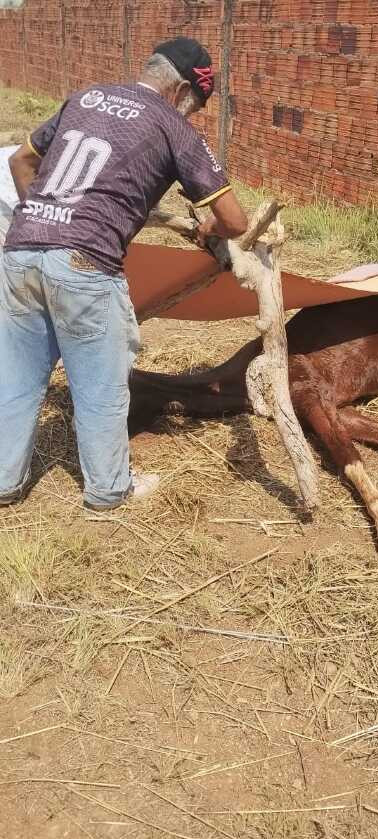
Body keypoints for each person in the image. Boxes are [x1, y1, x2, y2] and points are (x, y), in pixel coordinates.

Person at [0, 37, 247, 513]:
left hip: (21, 253)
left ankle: (6, 482)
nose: (190, 117)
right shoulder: (174, 126)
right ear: (180, 93)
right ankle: (109, 491)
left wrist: (42, 215)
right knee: (102, 385)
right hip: (85, 265)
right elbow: (235, 220)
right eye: (193, 108)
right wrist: (211, 225)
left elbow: (20, 160)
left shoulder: (86, 98)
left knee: (16, 378)